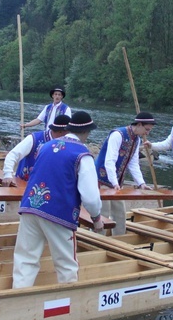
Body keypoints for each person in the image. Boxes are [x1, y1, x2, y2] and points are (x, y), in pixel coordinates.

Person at [12, 111, 104, 288]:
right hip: (58, 213)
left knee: (25, 259)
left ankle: (19, 296)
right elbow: (90, 197)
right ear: (86, 132)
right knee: (66, 264)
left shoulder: (46, 146)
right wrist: (96, 218)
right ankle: (66, 303)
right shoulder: (82, 155)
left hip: (30, 206)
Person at [96, 112, 155, 236]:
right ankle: (96, 240)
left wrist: (141, 183)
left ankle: (119, 239)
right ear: (139, 124)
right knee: (103, 213)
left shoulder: (136, 139)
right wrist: (114, 182)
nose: (147, 133)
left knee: (120, 213)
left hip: (116, 183)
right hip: (102, 180)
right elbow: (109, 161)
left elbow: (133, 164)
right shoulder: (118, 135)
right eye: (146, 129)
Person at [2, 114, 70, 186]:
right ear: (61, 131)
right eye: (69, 132)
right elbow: (13, 155)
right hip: (23, 186)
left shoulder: (66, 144)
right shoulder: (34, 138)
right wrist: (8, 174)